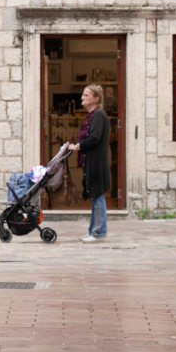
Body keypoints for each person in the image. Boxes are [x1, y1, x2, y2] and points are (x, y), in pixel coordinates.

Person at [68, 84, 110, 243]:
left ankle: (98, 232)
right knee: (95, 196)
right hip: (93, 160)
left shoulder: (98, 115)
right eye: (83, 95)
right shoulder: (93, 116)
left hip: (96, 162)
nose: (82, 98)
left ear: (96, 98)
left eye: (86, 95)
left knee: (97, 196)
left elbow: (94, 138)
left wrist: (78, 146)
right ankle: (94, 231)